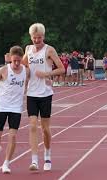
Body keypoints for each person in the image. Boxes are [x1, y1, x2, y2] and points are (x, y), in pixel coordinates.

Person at [22, 23, 65, 171]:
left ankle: (47, 155)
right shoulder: (28, 49)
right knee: (32, 126)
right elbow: (23, 67)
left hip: (45, 94)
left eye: (39, 38)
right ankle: (34, 160)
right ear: (31, 37)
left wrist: (47, 74)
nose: (37, 41)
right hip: (31, 93)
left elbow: (61, 68)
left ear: (43, 37)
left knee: (45, 128)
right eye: (34, 38)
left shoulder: (49, 50)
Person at [0, 46, 29, 174]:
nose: (17, 64)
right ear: (10, 59)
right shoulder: (3, 70)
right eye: (14, 61)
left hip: (16, 108)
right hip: (2, 106)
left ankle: (6, 163)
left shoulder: (26, 71)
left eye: (19, 61)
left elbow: (31, 82)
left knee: (12, 136)